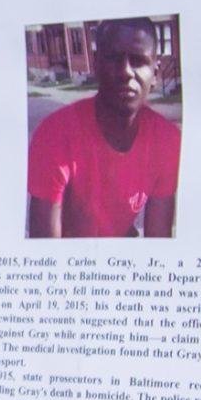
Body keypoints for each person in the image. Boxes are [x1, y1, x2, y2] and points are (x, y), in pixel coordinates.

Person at [26, 16, 180, 239]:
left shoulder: (167, 141)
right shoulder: (55, 135)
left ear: (155, 73)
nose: (126, 71)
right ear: (96, 65)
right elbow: (47, 256)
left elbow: (158, 243)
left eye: (138, 61)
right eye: (113, 58)